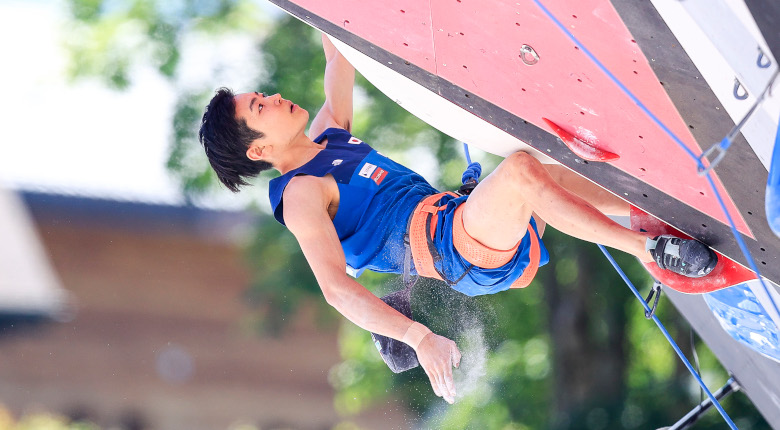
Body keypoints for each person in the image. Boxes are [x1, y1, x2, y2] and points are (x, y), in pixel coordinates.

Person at [198, 34, 717, 404]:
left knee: (555, 168)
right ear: (260, 149)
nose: (273, 97)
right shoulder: (301, 195)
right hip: (452, 250)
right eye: (260, 107)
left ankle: (652, 211)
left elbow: (338, 44)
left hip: (460, 222)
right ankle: (650, 252)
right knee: (519, 172)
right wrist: (417, 338)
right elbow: (335, 289)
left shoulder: (329, 133)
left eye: (261, 95)